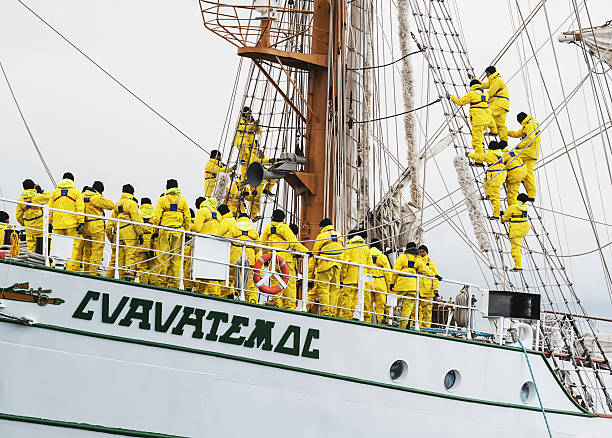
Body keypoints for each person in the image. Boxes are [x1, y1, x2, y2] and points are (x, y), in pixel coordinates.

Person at [260, 209, 308, 309]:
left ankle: (278, 303)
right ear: (283, 219)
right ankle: (289, 306)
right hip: (285, 259)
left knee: (274, 281)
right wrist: (306, 251)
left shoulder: (268, 228)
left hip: (273, 259)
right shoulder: (284, 227)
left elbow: (264, 245)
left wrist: (266, 259)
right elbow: (294, 242)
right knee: (289, 282)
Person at [150, 179, 191, 289]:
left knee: (162, 258)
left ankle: (160, 284)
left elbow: (156, 218)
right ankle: (177, 285)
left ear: (167, 187)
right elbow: (187, 218)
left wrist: (155, 232)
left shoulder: (162, 199)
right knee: (176, 260)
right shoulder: (183, 201)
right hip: (178, 233)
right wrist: (187, 234)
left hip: (164, 233)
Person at [390, 242, 439, 329]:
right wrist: (435, 276)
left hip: (401, 286)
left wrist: (392, 283)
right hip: (413, 288)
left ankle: (389, 320)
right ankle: (403, 327)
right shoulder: (418, 260)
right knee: (407, 309)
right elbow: (426, 270)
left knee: (393, 303)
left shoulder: (402, 257)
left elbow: (395, 272)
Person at [105, 184, 144, 281]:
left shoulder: (117, 205)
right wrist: (140, 233)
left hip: (119, 235)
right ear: (132, 193)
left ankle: (121, 277)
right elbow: (136, 220)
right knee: (131, 254)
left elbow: (109, 225)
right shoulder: (132, 204)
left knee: (120, 257)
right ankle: (128, 275)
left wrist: (111, 238)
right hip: (130, 234)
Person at [47, 172, 85, 271]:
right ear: (72, 181)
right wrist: (81, 222)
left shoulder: (55, 192)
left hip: (57, 225)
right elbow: (80, 208)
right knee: (73, 248)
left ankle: (54, 267)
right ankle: (69, 269)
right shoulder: (76, 192)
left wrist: (49, 222)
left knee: (56, 246)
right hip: (72, 225)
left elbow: (50, 209)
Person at [449, 79, 496, 158]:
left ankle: (479, 161)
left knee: (477, 142)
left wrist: (451, 97)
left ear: (472, 86)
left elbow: (461, 102)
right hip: (487, 121)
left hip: (478, 122)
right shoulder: (486, 93)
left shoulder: (471, 94)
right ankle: (494, 132)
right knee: (481, 138)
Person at [307, 218, 344, 317]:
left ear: (322, 227)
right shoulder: (340, 236)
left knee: (323, 289)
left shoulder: (321, 236)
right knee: (334, 290)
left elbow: (314, 257)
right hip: (337, 267)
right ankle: (331, 313)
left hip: (324, 266)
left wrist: (309, 277)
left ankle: (325, 313)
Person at [76, 181, 114, 274]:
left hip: (85, 227)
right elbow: (111, 205)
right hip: (96, 227)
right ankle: (93, 272)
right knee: (97, 251)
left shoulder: (82, 196)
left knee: (87, 251)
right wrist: (101, 198)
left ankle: (85, 271)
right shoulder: (96, 197)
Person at [337, 229, 372, 320]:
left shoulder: (349, 247)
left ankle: (346, 317)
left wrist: (342, 277)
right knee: (357, 299)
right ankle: (354, 316)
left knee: (347, 298)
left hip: (350, 277)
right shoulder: (366, 248)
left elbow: (345, 264)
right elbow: (370, 265)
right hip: (362, 279)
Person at [226, 212, 260, 303]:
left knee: (230, 276)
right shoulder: (253, 231)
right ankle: (246, 297)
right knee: (247, 279)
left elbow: (227, 241)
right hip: (249, 257)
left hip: (235, 256)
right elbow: (258, 247)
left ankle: (229, 292)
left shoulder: (233, 228)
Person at [468, 141, 507, 219]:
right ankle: (489, 195)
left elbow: (479, 156)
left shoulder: (490, 154)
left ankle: (496, 215)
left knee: (495, 197)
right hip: (501, 174)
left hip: (495, 176)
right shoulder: (501, 153)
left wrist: (468, 155)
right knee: (488, 185)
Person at [192, 197, 222, 295]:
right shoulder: (218, 214)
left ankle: (199, 291)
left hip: (203, 244)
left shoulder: (202, 211)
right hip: (214, 246)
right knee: (210, 271)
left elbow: (196, 228)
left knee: (198, 270)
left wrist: (189, 227)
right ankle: (212, 293)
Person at [508, 112, 540, 201]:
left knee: (510, 155)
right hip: (533, 153)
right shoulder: (529, 124)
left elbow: (530, 139)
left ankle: (510, 174)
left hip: (529, 151)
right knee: (528, 173)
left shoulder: (530, 125)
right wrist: (506, 132)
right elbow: (518, 134)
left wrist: (519, 146)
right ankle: (532, 195)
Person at [16, 179, 50, 253]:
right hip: (40, 226)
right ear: (33, 187)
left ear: (24, 188)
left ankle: (31, 261)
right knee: (44, 245)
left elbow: (18, 216)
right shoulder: (38, 197)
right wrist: (41, 191)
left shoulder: (20, 200)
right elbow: (50, 197)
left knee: (31, 247)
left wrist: (23, 224)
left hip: (29, 227)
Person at [491, 142, 527, 207]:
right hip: (523, 171)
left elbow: (498, 165)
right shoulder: (513, 152)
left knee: (511, 195)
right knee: (514, 192)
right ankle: (516, 210)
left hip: (514, 173)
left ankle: (512, 211)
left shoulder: (502, 155)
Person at [501, 193, 531, 271]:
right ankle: (518, 263)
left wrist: (502, 219)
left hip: (516, 230)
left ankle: (518, 266)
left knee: (515, 248)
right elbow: (517, 214)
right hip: (523, 228)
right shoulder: (525, 207)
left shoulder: (513, 207)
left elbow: (505, 217)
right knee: (518, 245)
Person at [480, 66, 510, 142]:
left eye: (487, 73)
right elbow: (484, 85)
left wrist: (482, 98)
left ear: (491, 73)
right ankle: (504, 142)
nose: (486, 75)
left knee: (486, 113)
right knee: (500, 124)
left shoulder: (497, 80)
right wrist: (475, 79)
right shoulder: (494, 80)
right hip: (503, 105)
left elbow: (491, 92)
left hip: (499, 103)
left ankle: (492, 131)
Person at [414, 245, 440, 328]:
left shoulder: (431, 264)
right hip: (417, 290)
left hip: (428, 291)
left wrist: (436, 290)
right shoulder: (416, 262)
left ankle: (426, 329)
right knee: (415, 311)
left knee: (427, 313)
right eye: (420, 252)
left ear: (426, 252)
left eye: (423, 252)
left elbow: (435, 278)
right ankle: (415, 327)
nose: (421, 253)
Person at [368, 239, 391, 324]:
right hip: (380, 283)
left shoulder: (367, 255)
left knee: (368, 304)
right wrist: (389, 288)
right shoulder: (382, 257)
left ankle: (367, 321)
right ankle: (380, 321)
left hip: (369, 282)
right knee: (380, 305)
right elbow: (388, 274)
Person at [235, 107, 262, 180]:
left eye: (249, 113)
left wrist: (257, 126)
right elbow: (244, 127)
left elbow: (259, 132)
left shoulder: (252, 121)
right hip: (242, 140)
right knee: (245, 150)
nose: (249, 114)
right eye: (247, 113)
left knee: (254, 160)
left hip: (251, 144)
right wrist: (253, 124)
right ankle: (243, 179)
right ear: (244, 113)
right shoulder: (240, 121)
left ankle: (251, 176)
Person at [137, 198, 156, 284]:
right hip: (153, 243)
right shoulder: (155, 214)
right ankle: (154, 285)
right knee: (154, 266)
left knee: (142, 266)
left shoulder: (138, 214)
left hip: (141, 242)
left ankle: (143, 284)